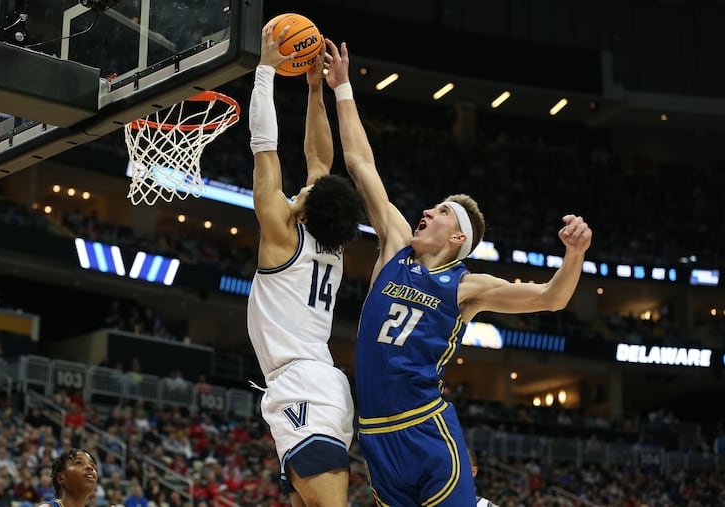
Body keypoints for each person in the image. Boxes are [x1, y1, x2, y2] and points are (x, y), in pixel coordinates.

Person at [323, 38, 593, 506]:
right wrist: (343, 88)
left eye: (442, 211)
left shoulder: (468, 286)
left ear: (457, 239)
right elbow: (359, 162)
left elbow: (552, 298)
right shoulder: (394, 248)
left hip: (426, 432)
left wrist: (574, 255)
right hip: (376, 440)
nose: (427, 210)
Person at [245, 19, 363, 507]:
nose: (310, 180)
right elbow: (319, 161)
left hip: (304, 387)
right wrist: (314, 90)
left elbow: (265, 150)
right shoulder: (328, 242)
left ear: (308, 208)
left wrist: (265, 72)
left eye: (310, 189)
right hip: (315, 383)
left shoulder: (280, 233)